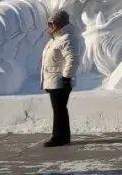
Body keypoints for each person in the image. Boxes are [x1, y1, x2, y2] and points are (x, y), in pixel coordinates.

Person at [40, 10, 76, 147]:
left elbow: (72, 59)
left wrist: (67, 78)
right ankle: (64, 137)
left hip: (60, 80)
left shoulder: (66, 39)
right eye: (49, 24)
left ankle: (57, 137)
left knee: (59, 109)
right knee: (60, 108)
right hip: (53, 79)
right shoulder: (55, 39)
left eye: (52, 23)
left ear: (59, 24)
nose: (49, 26)